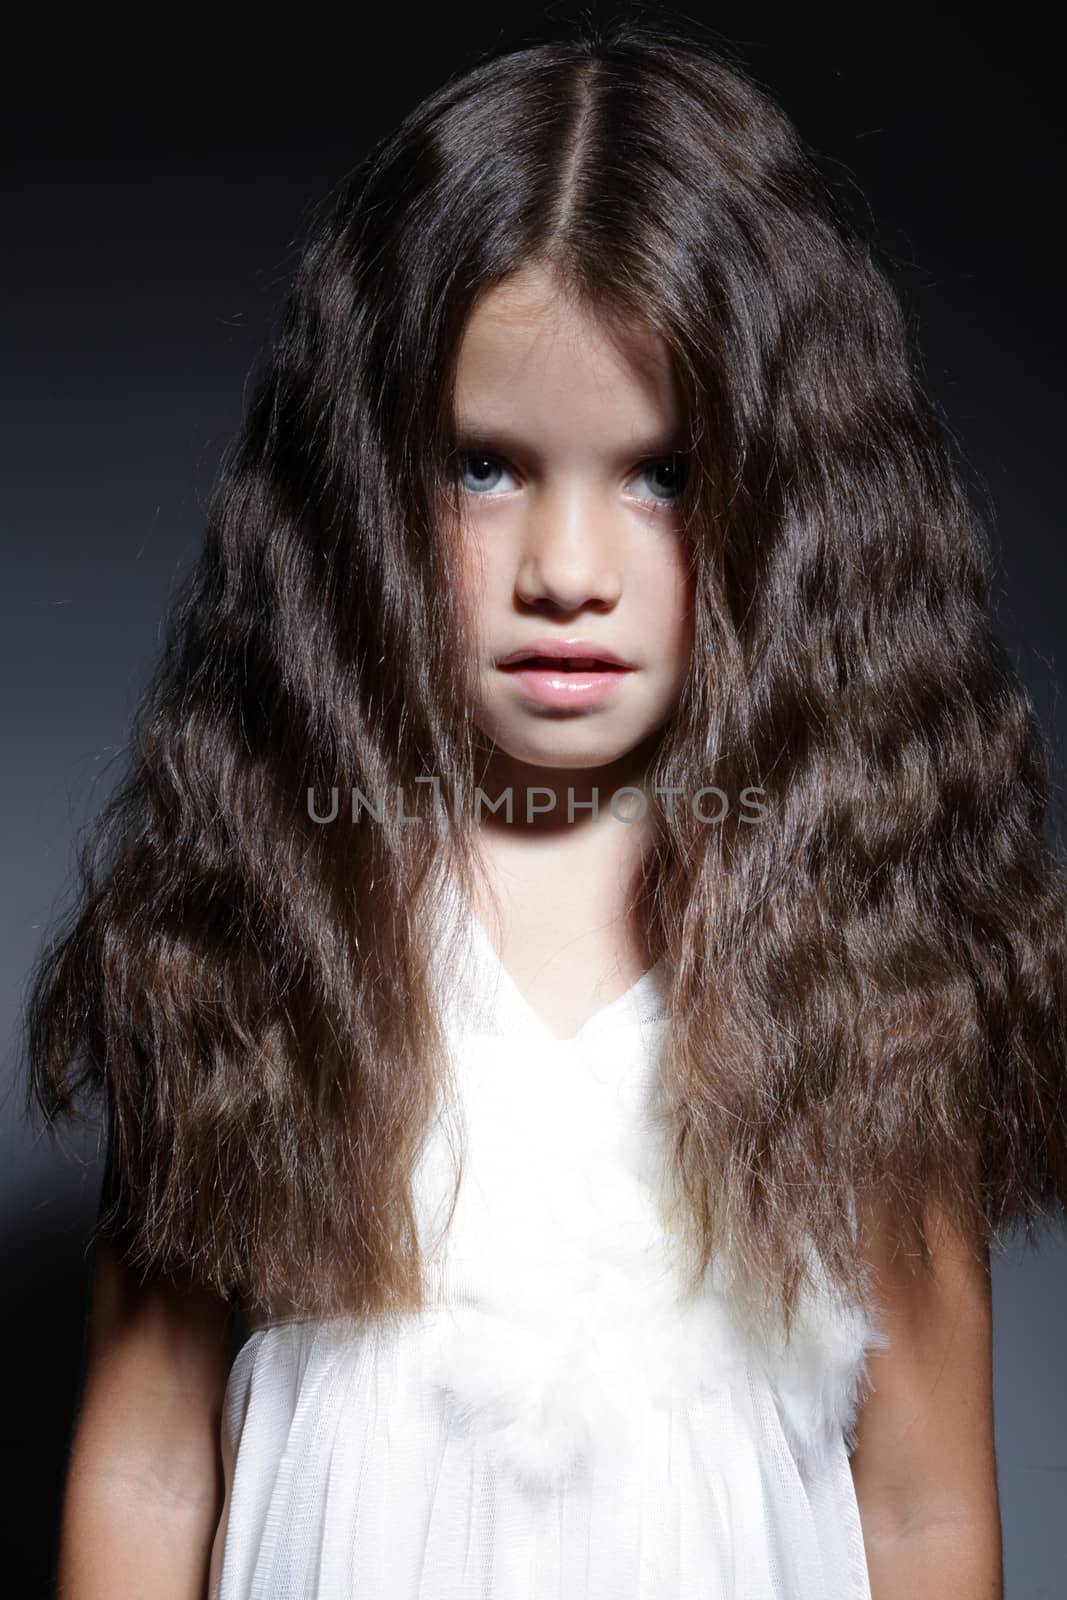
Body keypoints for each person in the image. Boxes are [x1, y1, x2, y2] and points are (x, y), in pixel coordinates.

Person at [23, 15, 1067, 1599]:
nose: (566, 574)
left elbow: (921, 1507)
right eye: (485, 466)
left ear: (795, 502)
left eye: (660, 474)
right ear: (363, 486)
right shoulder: (263, 920)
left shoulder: (866, 964)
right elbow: (149, 1461)